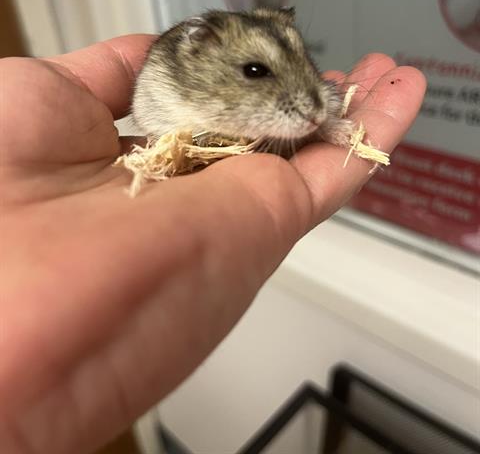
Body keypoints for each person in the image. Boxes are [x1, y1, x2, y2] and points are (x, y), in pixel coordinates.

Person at [0, 35, 425, 454]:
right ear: (195, 57)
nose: (309, 104)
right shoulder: (169, 93)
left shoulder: (301, 96)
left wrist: (327, 124)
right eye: (256, 71)